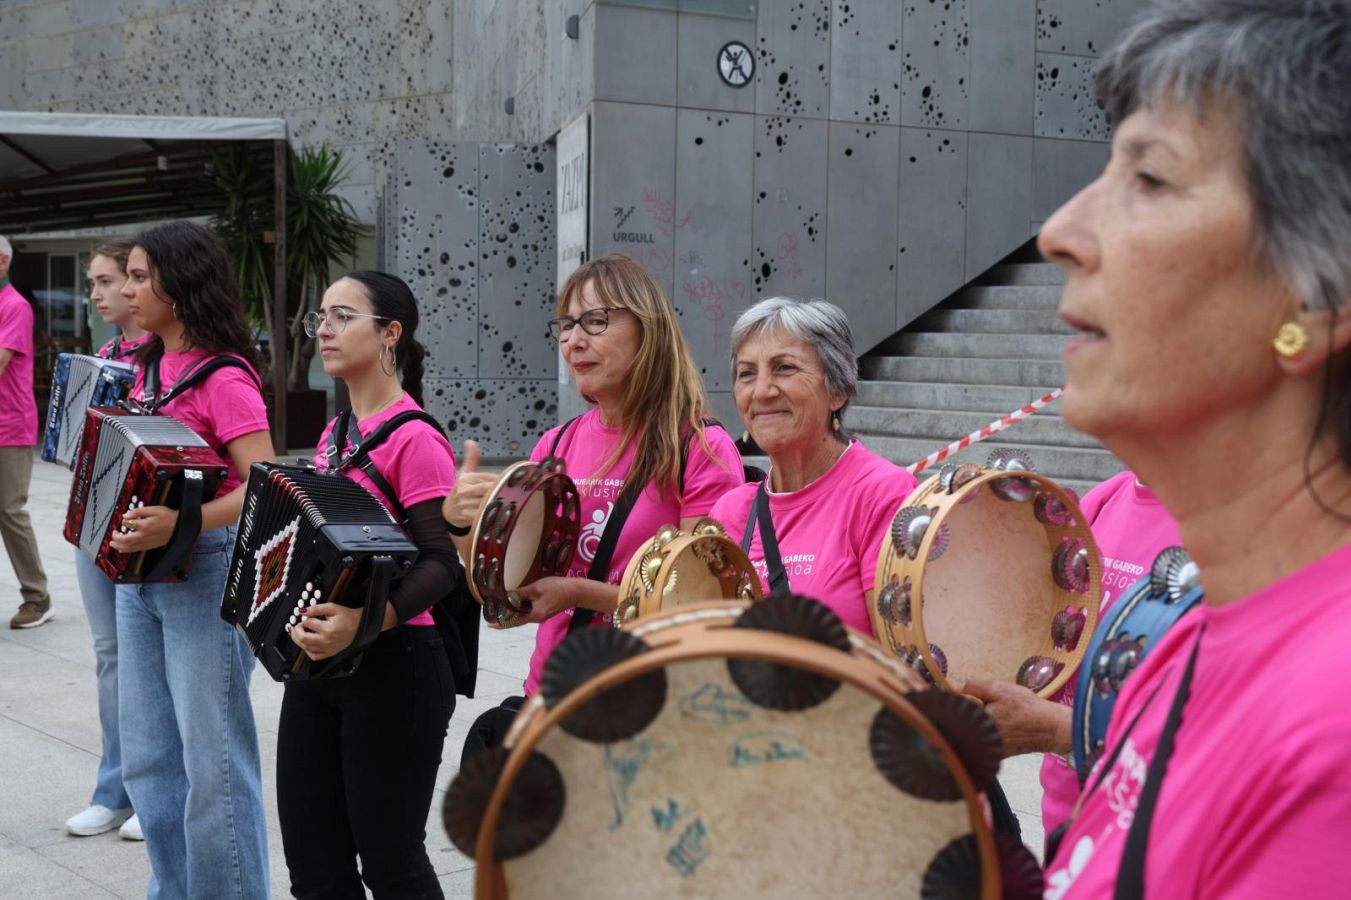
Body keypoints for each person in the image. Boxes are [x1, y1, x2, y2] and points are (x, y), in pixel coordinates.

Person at [1028, 2, 1351, 895]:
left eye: (1151, 177)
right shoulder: (1187, 635)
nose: (1059, 233)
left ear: (1315, 297)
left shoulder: (1331, 736)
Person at [443, 253, 744, 696]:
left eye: (595, 321)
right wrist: (461, 523)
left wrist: (578, 593)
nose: (573, 341)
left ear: (648, 329)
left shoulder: (700, 447)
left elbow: (704, 602)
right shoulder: (555, 445)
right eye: (566, 325)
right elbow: (509, 584)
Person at [277, 271, 471, 898]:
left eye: (342, 316)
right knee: (314, 868)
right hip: (320, 665)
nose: (324, 330)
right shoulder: (335, 436)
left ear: (390, 333)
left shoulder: (415, 438)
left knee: (391, 866)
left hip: (398, 666)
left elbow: (442, 563)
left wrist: (367, 621)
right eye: (320, 318)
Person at [110, 221, 272, 898]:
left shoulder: (224, 375)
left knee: (214, 765)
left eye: (139, 276)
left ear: (179, 285)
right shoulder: (144, 366)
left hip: (205, 569)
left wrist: (183, 523)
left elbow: (263, 481)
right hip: (136, 578)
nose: (127, 290)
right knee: (148, 760)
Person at [963, 471, 1181, 840]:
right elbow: (1057, 636)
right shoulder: (1109, 496)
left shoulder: (1238, 527)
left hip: (1155, 834)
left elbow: (1220, 741)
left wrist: (1062, 730)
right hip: (1066, 816)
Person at [707, 296, 918, 629]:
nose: (761, 391)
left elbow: (898, 650)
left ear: (837, 390)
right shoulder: (730, 513)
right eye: (747, 373)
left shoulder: (883, 495)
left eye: (785, 368)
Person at [64, 236, 150, 840]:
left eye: (105, 280)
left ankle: (154, 787)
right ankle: (114, 790)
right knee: (111, 657)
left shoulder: (171, 358)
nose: (96, 293)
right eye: (92, 282)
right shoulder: (103, 356)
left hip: (144, 525)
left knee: (148, 662)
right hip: (95, 519)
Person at [0, 234, 52, 629]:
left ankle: (37, 597)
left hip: (9, 425)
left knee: (9, 510)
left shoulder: (14, 306)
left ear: (2, 262)